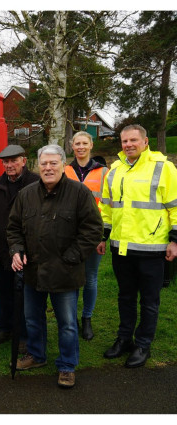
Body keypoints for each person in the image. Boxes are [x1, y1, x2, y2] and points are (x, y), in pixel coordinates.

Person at [8, 144, 102, 388]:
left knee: (68, 323)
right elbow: (14, 228)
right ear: (37, 166)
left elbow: (93, 229)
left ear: (63, 164)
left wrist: (72, 257)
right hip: (33, 271)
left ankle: (67, 365)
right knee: (33, 319)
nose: (48, 168)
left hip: (65, 272)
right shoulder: (26, 194)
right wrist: (16, 250)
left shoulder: (80, 193)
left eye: (53, 163)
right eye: (43, 164)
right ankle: (37, 356)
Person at [100, 124, 177, 368]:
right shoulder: (115, 169)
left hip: (153, 248)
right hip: (122, 248)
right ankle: (124, 339)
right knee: (125, 297)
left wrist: (175, 240)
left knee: (150, 301)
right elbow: (107, 207)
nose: (128, 145)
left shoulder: (163, 167)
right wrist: (103, 236)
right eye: (124, 141)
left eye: (134, 140)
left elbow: (175, 206)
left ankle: (143, 343)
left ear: (145, 142)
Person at [0, 145, 39, 348]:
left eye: (13, 160)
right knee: (4, 292)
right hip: (4, 251)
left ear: (24, 161)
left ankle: (24, 335)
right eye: (5, 161)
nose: (9, 165)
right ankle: (5, 329)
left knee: (25, 295)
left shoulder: (36, 183)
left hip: (28, 252)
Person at [64, 131, 109, 341]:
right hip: (69, 234)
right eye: (77, 143)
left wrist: (103, 237)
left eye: (84, 143)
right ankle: (70, 318)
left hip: (93, 233)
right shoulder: (64, 170)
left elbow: (110, 206)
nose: (80, 147)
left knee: (90, 278)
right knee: (71, 278)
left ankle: (87, 318)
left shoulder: (104, 172)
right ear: (72, 146)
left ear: (91, 145)